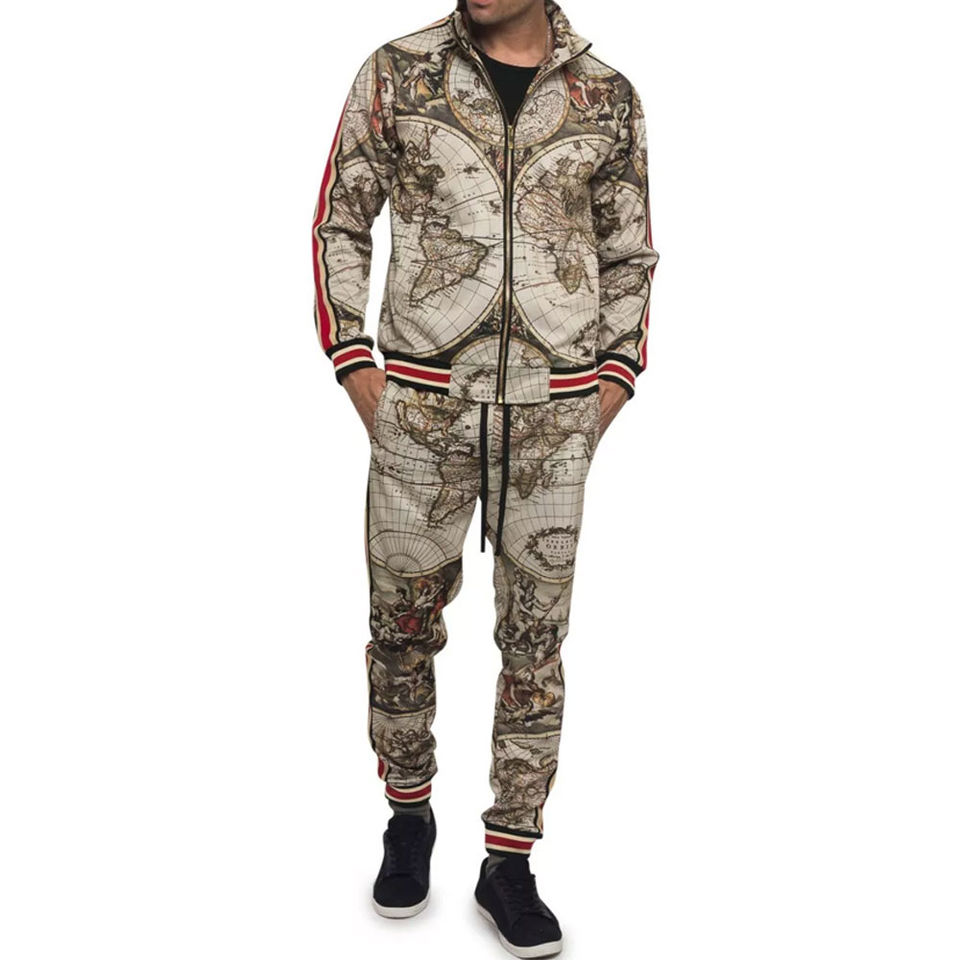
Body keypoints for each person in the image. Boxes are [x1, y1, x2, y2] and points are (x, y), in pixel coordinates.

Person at [311, 0, 658, 954]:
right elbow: (340, 219)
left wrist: (608, 388)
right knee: (401, 628)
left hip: (554, 416)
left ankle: (509, 860)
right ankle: (409, 813)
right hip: (421, 412)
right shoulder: (398, 71)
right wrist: (357, 367)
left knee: (536, 644)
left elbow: (630, 253)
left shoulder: (607, 96)